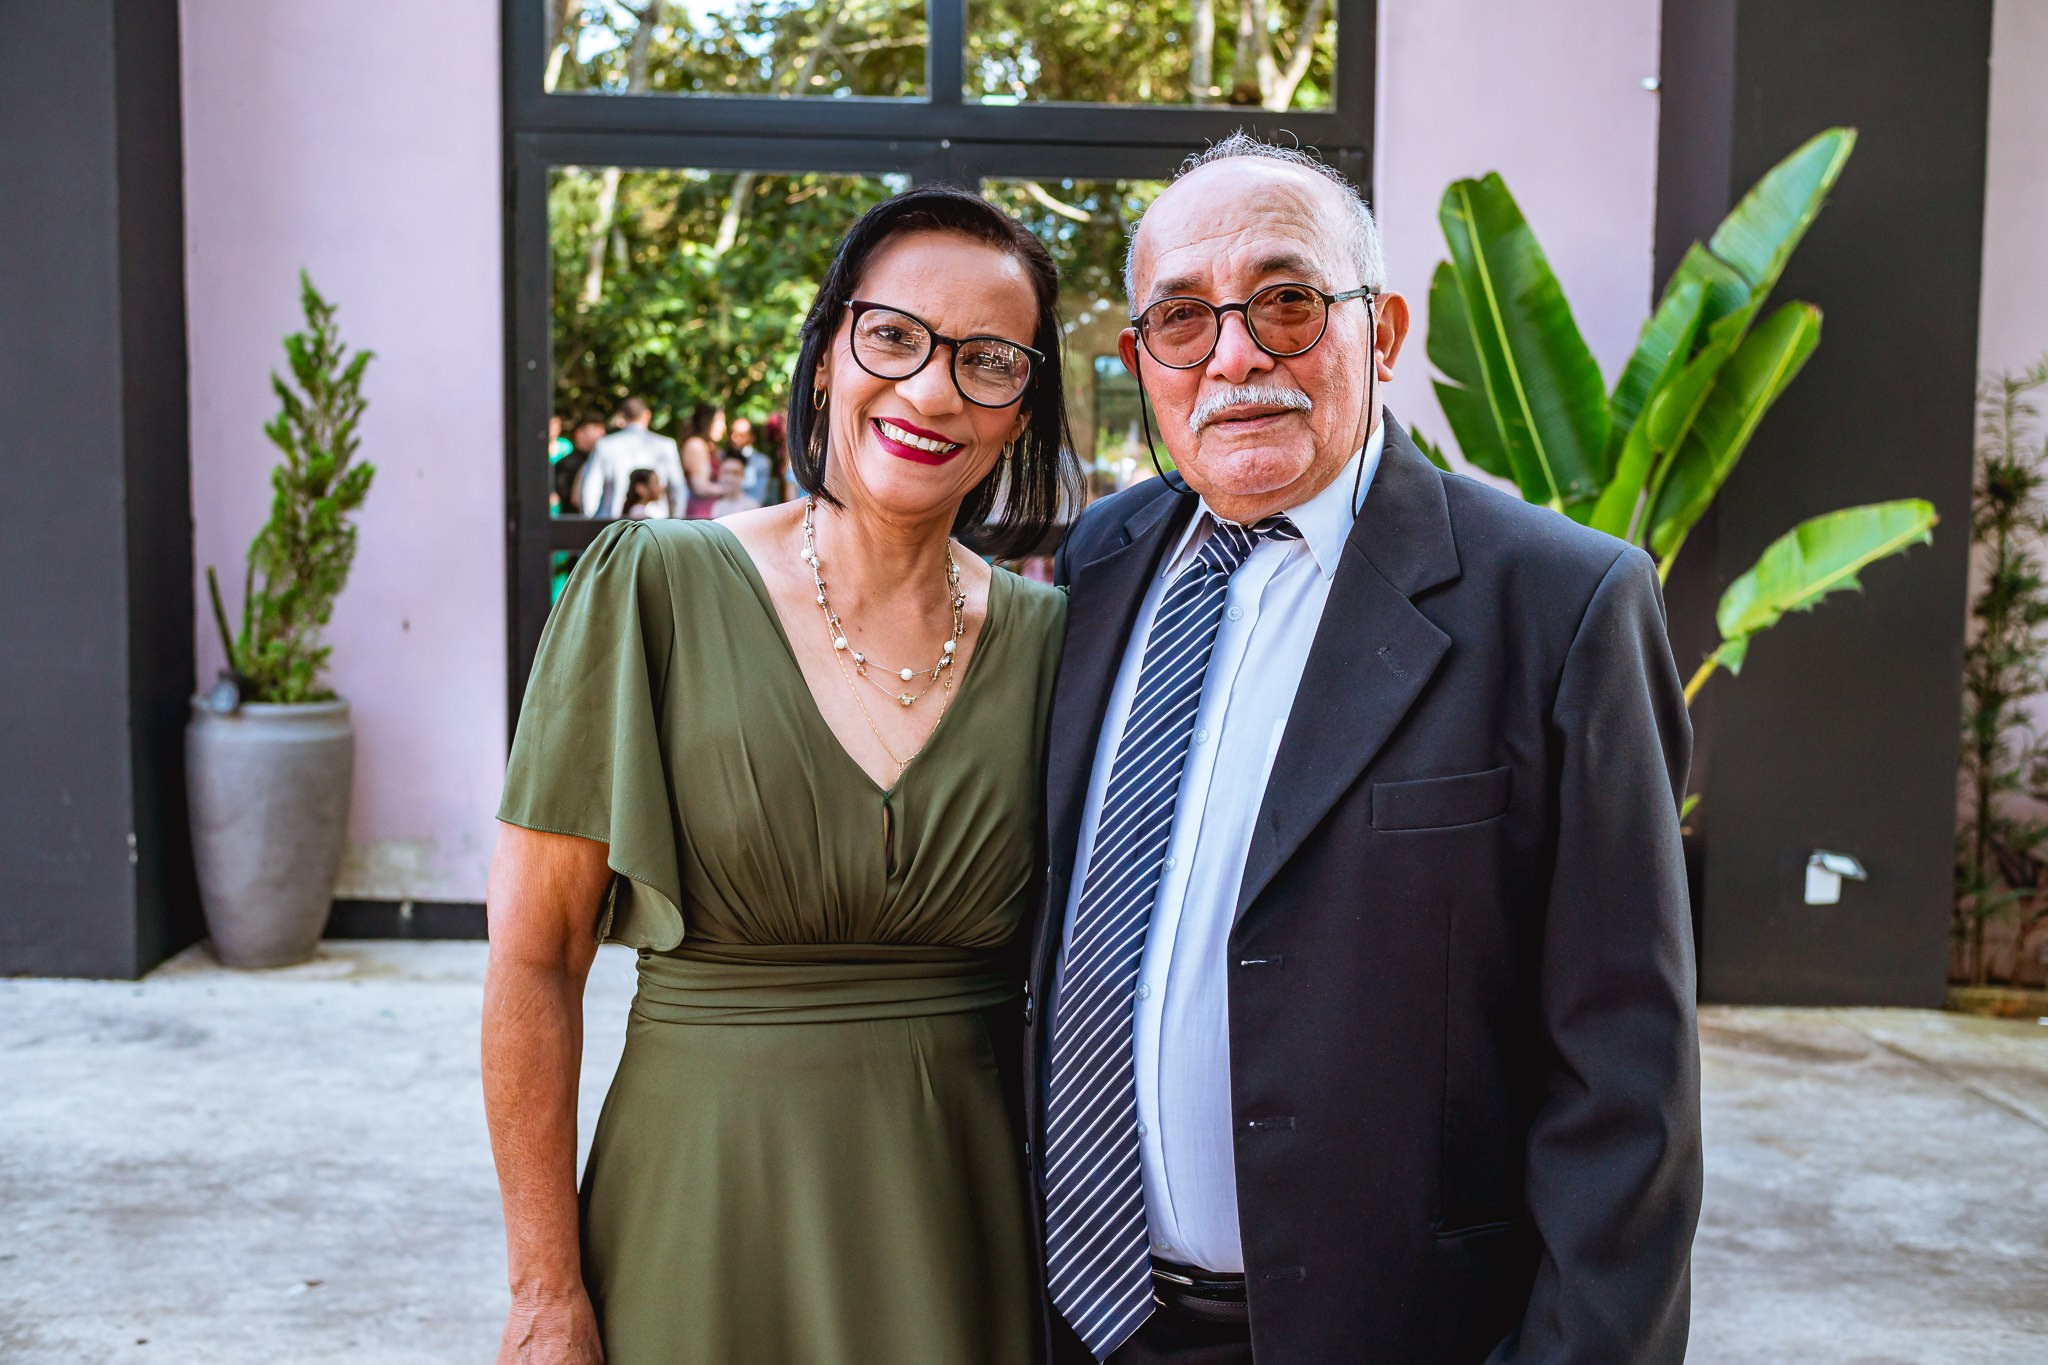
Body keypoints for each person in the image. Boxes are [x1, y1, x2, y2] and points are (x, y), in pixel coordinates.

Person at [1029, 132, 1701, 1363]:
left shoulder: (1556, 604)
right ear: (1141, 363)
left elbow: (1624, 1094)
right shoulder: (1099, 566)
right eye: (1182, 320)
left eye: (1286, 303)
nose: (1233, 356)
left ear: (1380, 332)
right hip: (1084, 1326)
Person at [483, 183, 1079, 1365]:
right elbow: (533, 958)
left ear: (1022, 410)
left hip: (959, 1231)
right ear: (824, 361)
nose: (929, 391)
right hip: (699, 1213)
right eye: (893, 338)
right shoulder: (651, 588)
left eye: (987, 361)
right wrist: (545, 1291)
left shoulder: (1057, 645)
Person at [578, 398, 687, 520]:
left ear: (622, 416)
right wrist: (676, 522)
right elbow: (677, 490)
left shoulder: (605, 445)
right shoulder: (666, 446)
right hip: (657, 526)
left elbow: (590, 488)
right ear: (647, 415)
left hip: (612, 523)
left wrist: (590, 520)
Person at [552, 418, 603, 515]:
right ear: (579, 433)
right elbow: (570, 498)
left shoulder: (601, 460)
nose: (601, 432)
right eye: (595, 428)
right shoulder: (566, 464)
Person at [727, 415, 775, 506]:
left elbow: (760, 495)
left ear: (751, 437)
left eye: (741, 435)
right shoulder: (723, 457)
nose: (734, 438)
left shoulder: (762, 462)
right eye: (733, 434)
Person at [708, 454, 758, 519]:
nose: (730, 478)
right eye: (726, 472)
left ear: (743, 476)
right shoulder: (717, 506)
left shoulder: (751, 507)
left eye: (736, 473)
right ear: (719, 475)